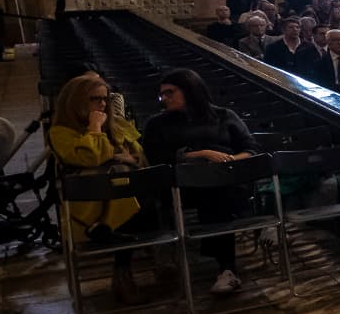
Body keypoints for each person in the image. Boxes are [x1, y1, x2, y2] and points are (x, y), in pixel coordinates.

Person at [143, 68, 259, 296]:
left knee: (217, 189)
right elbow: (158, 159)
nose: (164, 99)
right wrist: (202, 154)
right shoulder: (157, 124)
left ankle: (227, 269)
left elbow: (252, 149)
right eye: (162, 95)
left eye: (170, 93)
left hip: (226, 180)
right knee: (215, 191)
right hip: (180, 188)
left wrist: (229, 160)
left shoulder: (224, 116)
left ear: (190, 90)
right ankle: (228, 267)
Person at [49, 73, 145, 249]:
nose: (102, 104)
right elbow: (92, 158)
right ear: (76, 101)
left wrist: (133, 159)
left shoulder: (116, 124)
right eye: (95, 99)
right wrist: (95, 128)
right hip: (91, 201)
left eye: (105, 99)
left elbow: (142, 155)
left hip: (128, 192)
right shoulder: (60, 133)